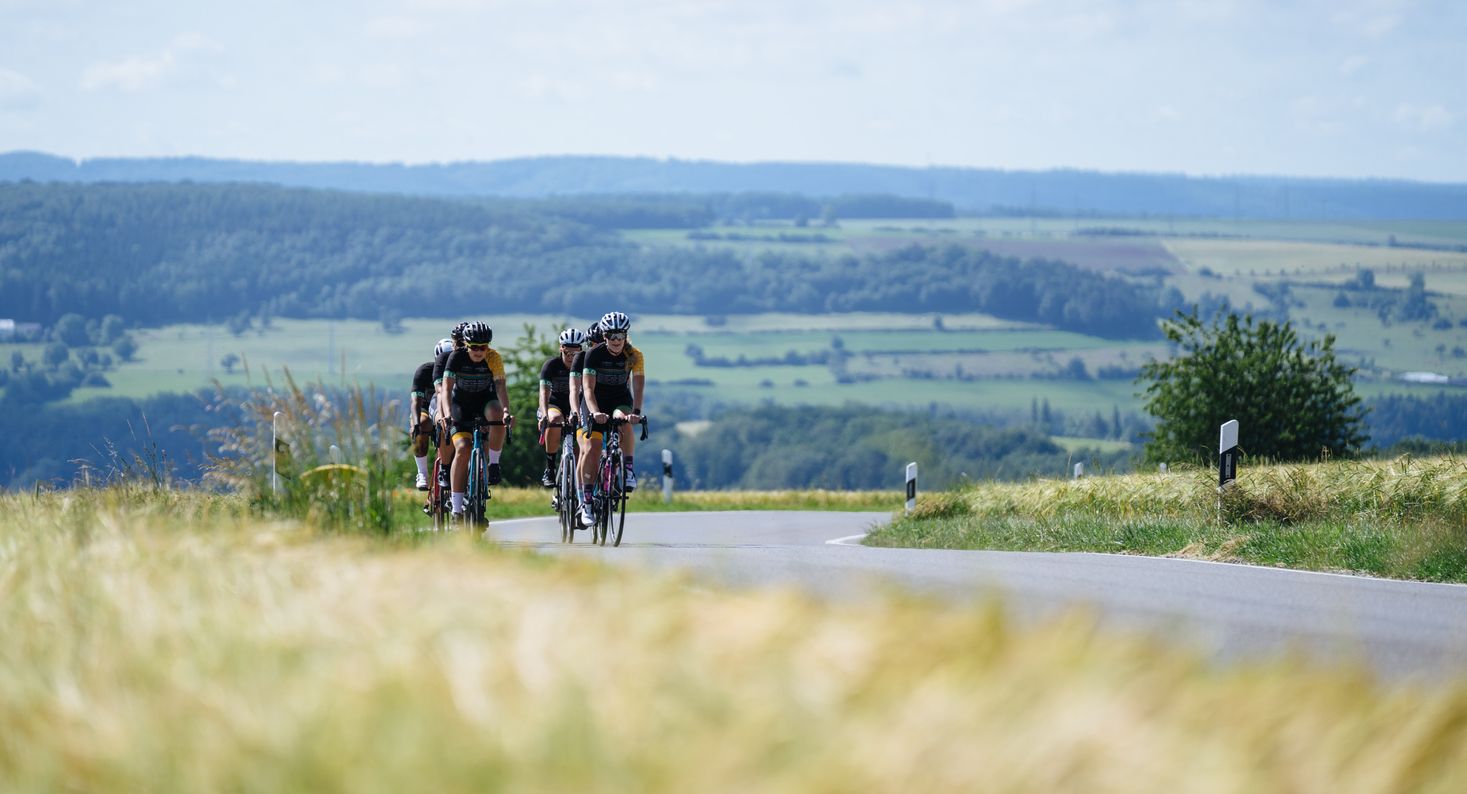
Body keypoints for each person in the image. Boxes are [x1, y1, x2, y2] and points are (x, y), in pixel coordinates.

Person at [577, 311, 645, 528]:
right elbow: (587, 388)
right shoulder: (594, 355)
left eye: (620, 336)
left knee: (623, 420)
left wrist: (636, 410)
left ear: (625, 336)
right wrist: (595, 412)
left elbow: (638, 384)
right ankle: (587, 502)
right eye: (611, 336)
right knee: (593, 447)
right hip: (594, 402)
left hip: (619, 400)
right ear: (604, 337)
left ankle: (628, 468)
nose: (616, 341)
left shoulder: (634, 355)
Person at [439, 321, 512, 520]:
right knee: (462, 448)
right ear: (467, 345)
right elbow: (445, 389)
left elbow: (500, 387)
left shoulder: (493, 357)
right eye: (474, 347)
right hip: (460, 404)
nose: (479, 351)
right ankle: (456, 508)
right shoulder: (456, 357)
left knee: (497, 413)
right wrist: (446, 414)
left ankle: (494, 464)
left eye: (484, 346)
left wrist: (506, 411)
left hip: (484, 402)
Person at [538, 327, 585, 488]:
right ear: (561, 349)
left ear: (581, 350)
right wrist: (544, 415)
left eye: (575, 354)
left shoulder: (585, 365)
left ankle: (580, 488)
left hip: (577, 406)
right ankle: (550, 467)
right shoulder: (551, 365)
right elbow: (544, 394)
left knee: (581, 448)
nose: (571, 358)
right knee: (555, 419)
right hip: (554, 404)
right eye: (567, 353)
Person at [409, 337, 454, 491]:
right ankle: (422, 473)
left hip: (449, 411)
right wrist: (416, 423)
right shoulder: (424, 371)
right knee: (423, 423)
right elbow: (416, 401)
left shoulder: (460, 371)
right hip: (426, 410)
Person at [431, 321, 469, 491]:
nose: (460, 347)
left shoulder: (478, 358)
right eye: (458, 343)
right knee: (444, 423)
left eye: (464, 343)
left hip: (467, 401)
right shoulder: (445, 359)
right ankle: (445, 468)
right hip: (448, 400)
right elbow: (441, 390)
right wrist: (444, 415)